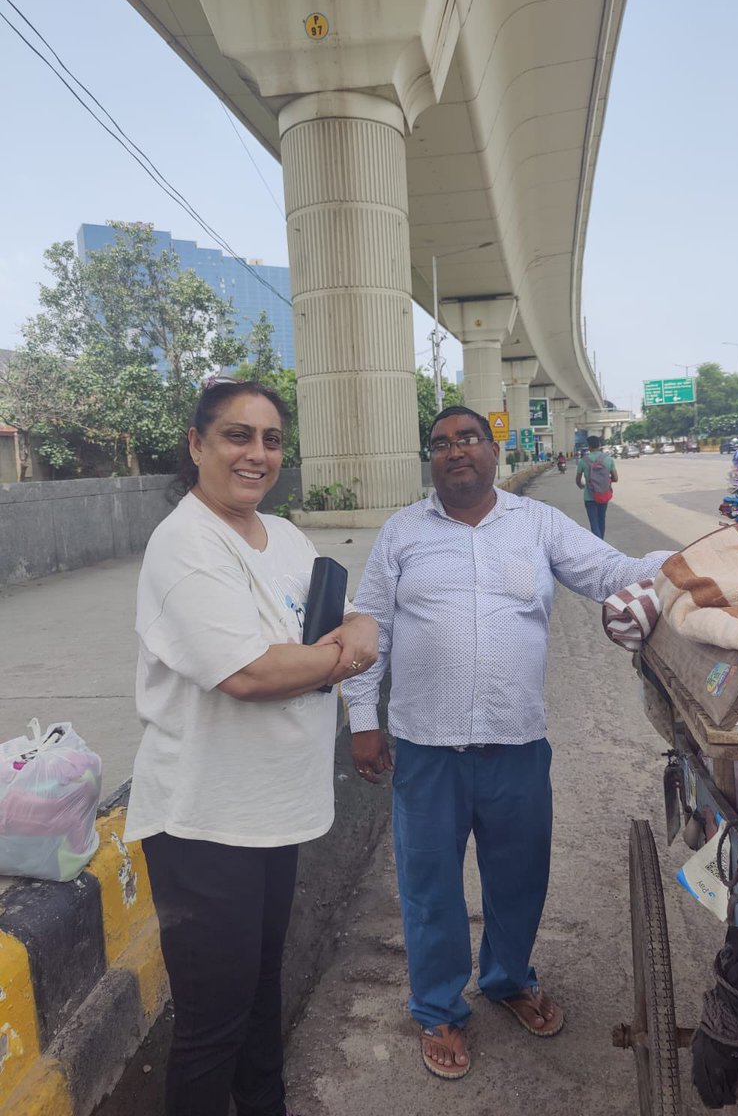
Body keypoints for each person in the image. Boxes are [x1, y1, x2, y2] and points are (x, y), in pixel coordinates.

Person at [342, 405, 670, 1081]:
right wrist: (361, 719)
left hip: (516, 745)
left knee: (519, 879)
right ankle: (437, 1010)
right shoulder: (402, 532)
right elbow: (365, 627)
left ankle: (509, 979)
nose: (455, 450)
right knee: (429, 889)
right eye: (440, 443)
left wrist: (685, 564)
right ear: (429, 459)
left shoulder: (538, 523)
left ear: (494, 451)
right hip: (427, 751)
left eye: (468, 439)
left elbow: (613, 572)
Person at [124, 379, 378, 1116]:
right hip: (206, 826)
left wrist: (343, 643)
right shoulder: (184, 545)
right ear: (197, 446)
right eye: (237, 435)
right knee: (213, 1027)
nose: (256, 453)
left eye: (270, 439)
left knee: (262, 996)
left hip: (274, 814)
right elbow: (249, 671)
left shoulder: (284, 535)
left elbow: (359, 618)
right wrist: (339, 658)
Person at [576, 434, 618, 540]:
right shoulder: (608, 459)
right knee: (601, 520)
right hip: (604, 494)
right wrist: (606, 481)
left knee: (594, 523)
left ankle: (598, 546)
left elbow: (578, 480)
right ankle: (602, 543)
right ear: (599, 445)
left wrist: (582, 486)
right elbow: (616, 478)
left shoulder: (583, 461)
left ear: (589, 446)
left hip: (589, 497)